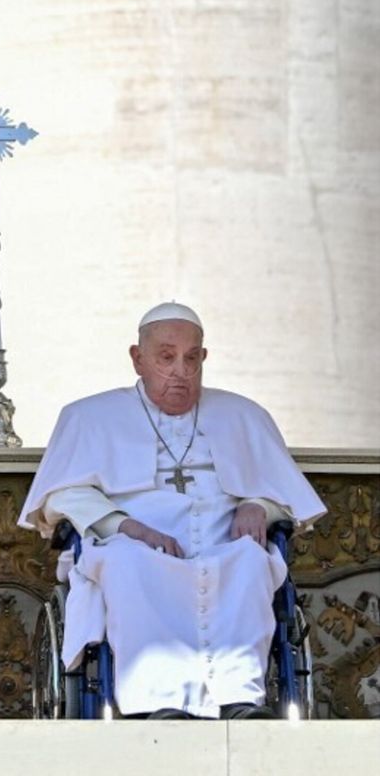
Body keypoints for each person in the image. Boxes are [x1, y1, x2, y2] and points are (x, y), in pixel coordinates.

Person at [19, 302, 327, 719]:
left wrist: (259, 505)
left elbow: (287, 495)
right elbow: (58, 496)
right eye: (166, 357)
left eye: (192, 357)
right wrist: (124, 526)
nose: (181, 369)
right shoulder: (89, 417)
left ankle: (239, 699)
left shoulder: (244, 415)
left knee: (252, 561)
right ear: (137, 358)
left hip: (225, 545)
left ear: (203, 358)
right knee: (127, 563)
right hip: (133, 546)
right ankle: (156, 701)